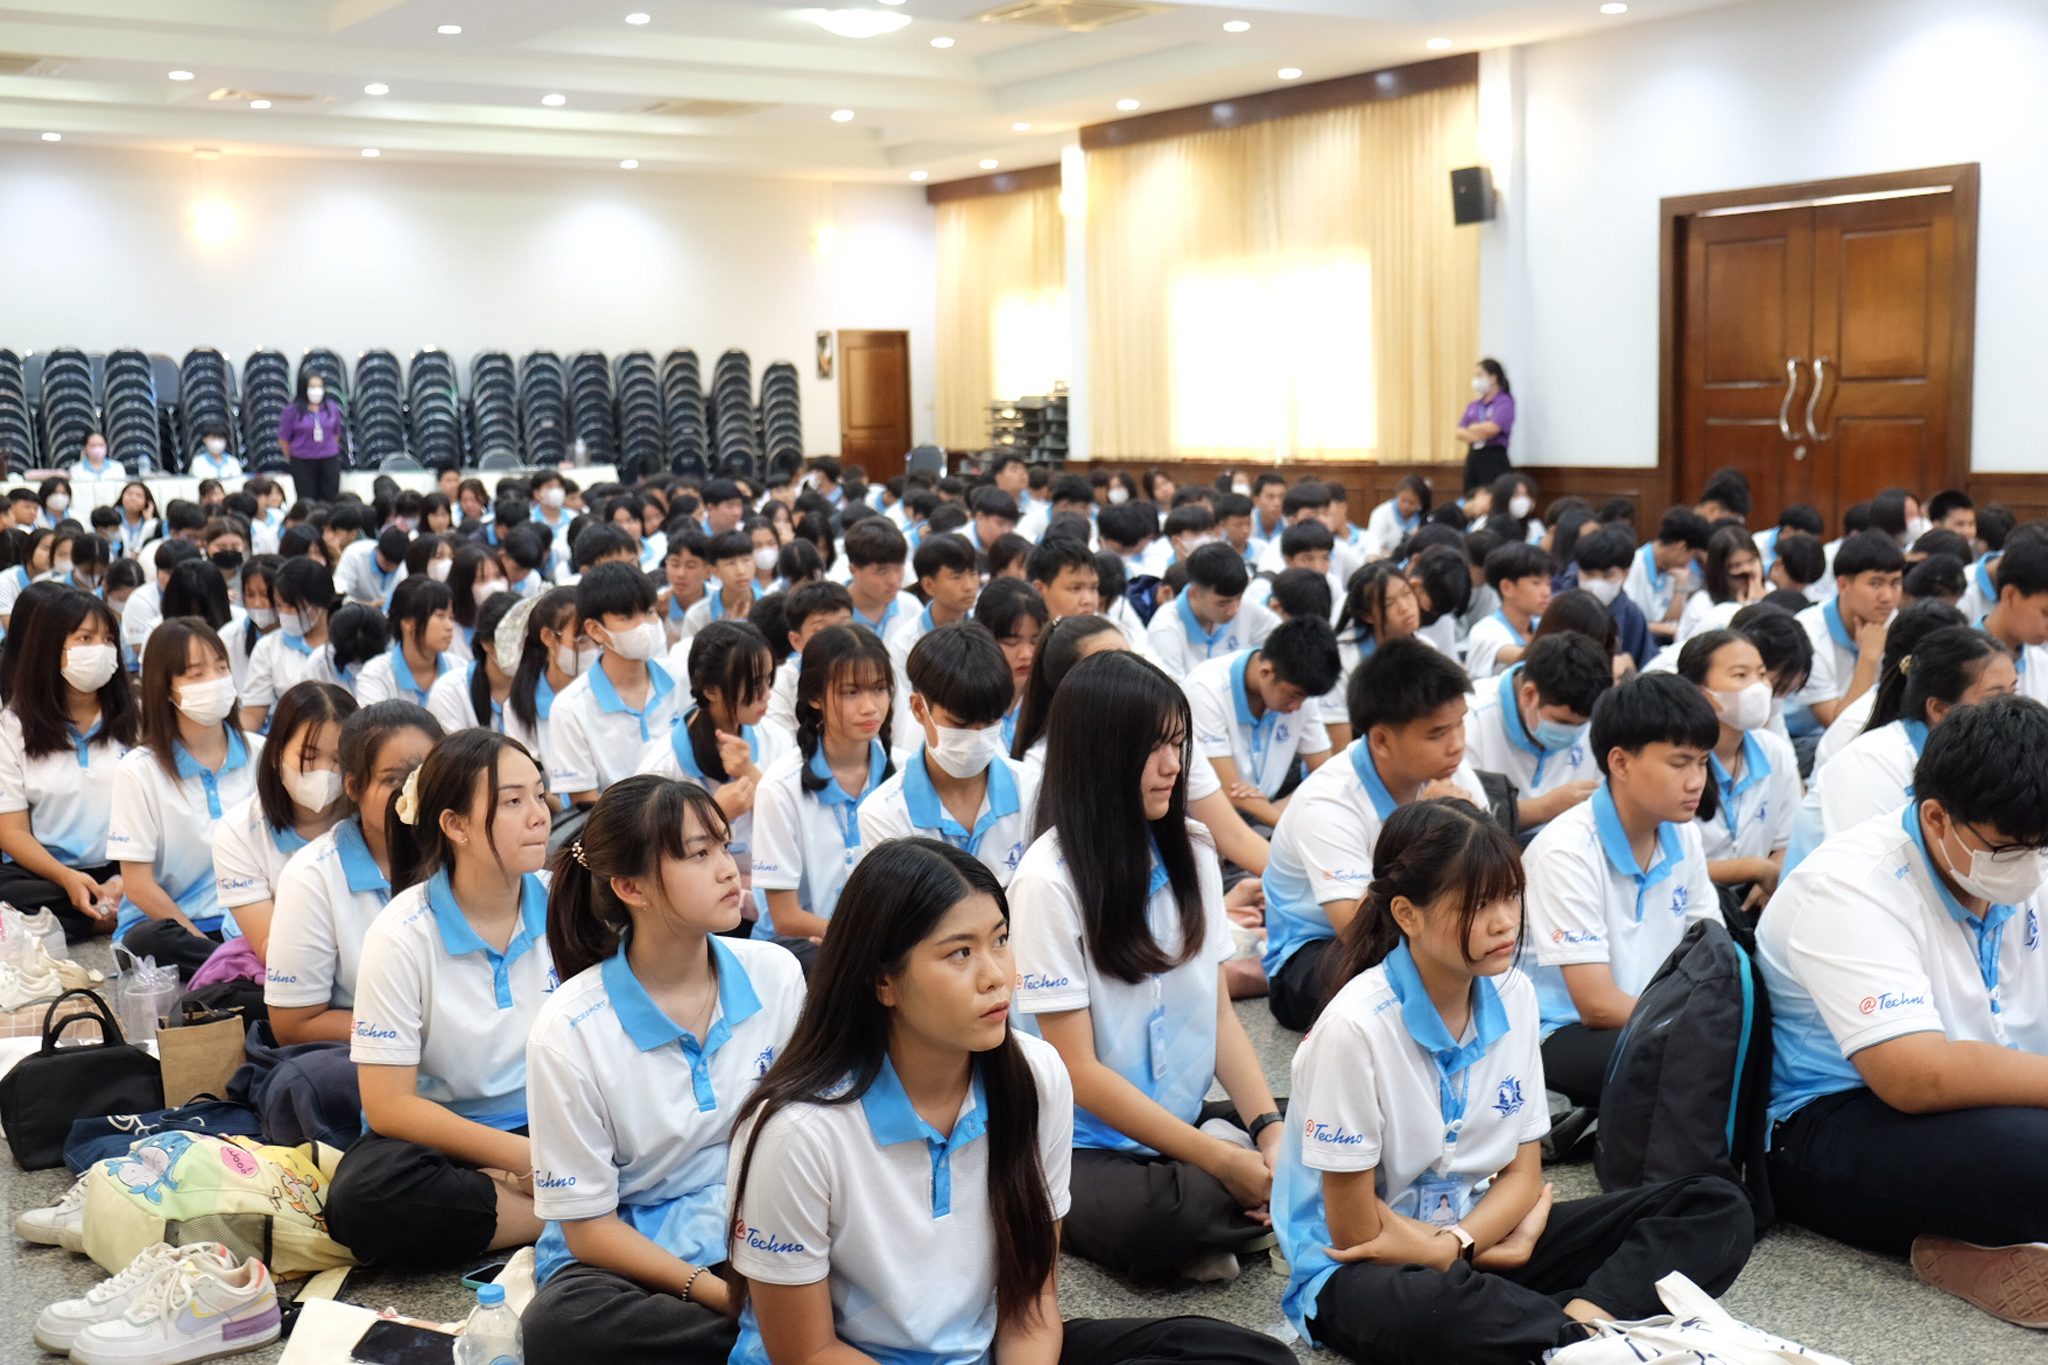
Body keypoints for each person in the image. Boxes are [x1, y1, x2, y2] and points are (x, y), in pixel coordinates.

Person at [727, 837, 1295, 1365]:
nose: (996, 975)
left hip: (986, 1352)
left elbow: (1030, 1305)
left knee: (1235, 1353)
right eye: (959, 953)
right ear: (883, 982)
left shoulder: (1035, 1074)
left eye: (1001, 940)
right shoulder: (798, 1132)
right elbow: (806, 1353)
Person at [1274, 798, 1756, 1365]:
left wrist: (1463, 1243)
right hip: (1365, 1271)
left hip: (1474, 1234)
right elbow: (1355, 1230)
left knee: (1716, 1204)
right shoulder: (1354, 1027)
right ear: (1407, 915)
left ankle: (1577, 1328)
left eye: (1509, 896)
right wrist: (1455, 1256)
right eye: (1479, 905)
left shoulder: (1514, 994)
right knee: (1434, 1310)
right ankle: (1569, 1336)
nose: (1505, 921)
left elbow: (1523, 1175)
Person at [1759, 695, 2048, 1326]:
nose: (2029, 867)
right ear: (1937, 817)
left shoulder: (2021, 854)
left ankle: (1981, 1244)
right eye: (2009, 849)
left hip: (1983, 1091)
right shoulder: (1848, 884)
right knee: (2034, 1158)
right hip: (1835, 1116)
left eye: (2042, 848)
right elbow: (1915, 1076)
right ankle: (1953, 1242)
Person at [1010, 650, 1285, 1283]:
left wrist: (1268, 1129)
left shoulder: (1193, 845)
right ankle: (1236, 1198)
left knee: (1329, 1133)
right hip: (1080, 1143)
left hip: (1180, 1118)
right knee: (1169, 1219)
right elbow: (1077, 1072)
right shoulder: (1046, 883)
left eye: (1179, 744)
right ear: (1099, 756)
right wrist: (1221, 1161)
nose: (1173, 767)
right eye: (1153, 749)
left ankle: (1240, 1186)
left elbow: (1218, 1013)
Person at [521, 777, 804, 1365]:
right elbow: (589, 1232)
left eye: (725, 847)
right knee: (562, 1325)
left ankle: (787, 1336)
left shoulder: (776, 973)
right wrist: (721, 1296)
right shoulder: (570, 1028)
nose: (729, 869)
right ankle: (786, 1341)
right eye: (700, 854)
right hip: (638, 1256)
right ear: (630, 886)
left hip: (762, 1225)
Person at [323, 729, 554, 1270]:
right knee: (364, 1201)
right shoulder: (401, 933)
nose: (539, 815)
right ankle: (579, 1216)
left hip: (559, 1119)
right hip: (447, 1136)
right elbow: (388, 1105)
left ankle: (562, 1205)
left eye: (540, 795)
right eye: (513, 802)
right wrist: (523, 1161)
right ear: (455, 825)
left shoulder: (569, 906)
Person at [1262, 638, 1489, 1031]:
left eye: (1461, 722)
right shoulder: (1328, 801)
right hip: (1318, 953)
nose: (1458, 744)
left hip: (1424, 927)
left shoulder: (1449, 769)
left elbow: (1491, 872)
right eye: (1437, 733)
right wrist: (1432, 827)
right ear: (1381, 739)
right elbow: (1358, 932)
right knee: (1399, 981)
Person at [1521, 672, 1721, 1106]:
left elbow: (1710, 952)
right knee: (1679, 1058)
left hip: (1653, 1018)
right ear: (1620, 763)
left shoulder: (1681, 835)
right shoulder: (1566, 851)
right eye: (1679, 762)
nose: (1696, 781)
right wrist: (1694, 1024)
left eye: (1703, 762)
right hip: (1560, 1032)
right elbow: (1595, 1004)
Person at [264, 702, 442, 1046]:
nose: (412, 793)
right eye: (392, 780)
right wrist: (419, 1036)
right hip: (370, 1050)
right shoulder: (311, 877)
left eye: (424, 777)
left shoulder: (464, 852)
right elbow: (293, 1024)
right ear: (354, 786)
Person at [107, 618, 264, 977]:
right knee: (151, 941)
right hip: (178, 927)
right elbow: (138, 885)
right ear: (166, 690)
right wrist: (212, 952)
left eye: (221, 668)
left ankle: (240, 973)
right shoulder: (138, 770)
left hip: (248, 919)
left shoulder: (261, 754)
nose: (215, 681)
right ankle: (235, 971)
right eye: (196, 674)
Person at [750, 626, 895, 957]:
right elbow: (785, 917)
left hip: (877, 945)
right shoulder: (780, 787)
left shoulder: (902, 772)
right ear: (815, 697)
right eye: (850, 692)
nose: (870, 707)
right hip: (797, 950)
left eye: (879, 689)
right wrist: (860, 944)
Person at [0, 588, 135, 939]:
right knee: (9, 891)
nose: (100, 650)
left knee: (170, 879)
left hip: (127, 865)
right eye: (85, 639)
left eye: (108, 640)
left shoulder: (134, 718)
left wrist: (124, 878)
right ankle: (100, 917)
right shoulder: (12, 725)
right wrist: (66, 877)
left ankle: (88, 915)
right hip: (48, 872)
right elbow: (11, 830)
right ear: (49, 649)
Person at [857, 623, 1036, 884]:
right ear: (919, 709)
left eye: (989, 723)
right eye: (959, 724)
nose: (976, 736)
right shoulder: (885, 815)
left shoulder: (1033, 790)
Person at [638, 621, 790, 911]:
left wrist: (752, 773)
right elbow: (650, 853)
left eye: (769, 679)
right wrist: (714, 816)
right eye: (754, 684)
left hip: (770, 902)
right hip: (694, 909)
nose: (767, 694)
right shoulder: (661, 767)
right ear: (710, 690)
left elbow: (797, 823)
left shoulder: (778, 739)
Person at [1819, 626, 2014, 842]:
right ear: (1938, 709)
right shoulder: (1870, 763)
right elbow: (1865, 864)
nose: (2013, 710)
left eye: (2014, 692)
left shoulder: (1992, 753)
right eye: (1994, 700)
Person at [211, 682, 357, 957]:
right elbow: (272, 951)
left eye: (339, 759)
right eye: (308, 757)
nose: (324, 772)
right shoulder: (238, 831)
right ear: (277, 754)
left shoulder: (369, 820)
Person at [1674, 630, 1799, 911]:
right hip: (1685, 903)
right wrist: (1752, 869)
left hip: (1752, 903)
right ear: (1698, 690)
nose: (1758, 687)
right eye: (1741, 675)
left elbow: (1786, 842)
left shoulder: (1773, 751)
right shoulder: (1673, 761)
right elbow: (1669, 867)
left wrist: (1768, 878)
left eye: (1762, 674)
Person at [1185, 617, 1341, 827]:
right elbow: (1230, 793)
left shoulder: (1300, 691)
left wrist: (1276, 808)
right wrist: (1290, 828)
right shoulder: (1205, 689)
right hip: (1207, 822)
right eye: (1295, 696)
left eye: (1305, 698)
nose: (1297, 707)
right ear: (1266, 672)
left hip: (1267, 813)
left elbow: (1325, 772)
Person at [552, 563, 681, 805]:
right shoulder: (570, 708)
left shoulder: (681, 679)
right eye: (628, 617)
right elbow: (586, 803)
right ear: (595, 630)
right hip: (620, 837)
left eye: (650, 612)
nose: (645, 626)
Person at [1462, 632, 1609, 836]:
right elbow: (1460, 821)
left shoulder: (1596, 716)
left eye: (1581, 725)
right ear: (1529, 694)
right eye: (1562, 722)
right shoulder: (1471, 718)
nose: (1572, 733)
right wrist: (1544, 808)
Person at [1795, 529, 1904, 726]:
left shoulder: (1894, 620)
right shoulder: (1808, 631)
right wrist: (1868, 658)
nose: (1888, 597)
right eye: (1875, 583)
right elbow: (1840, 727)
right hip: (1806, 738)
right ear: (1843, 585)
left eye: (1895, 583)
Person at [241, 558, 343, 730]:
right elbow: (253, 713)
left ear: (318, 603)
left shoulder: (344, 641)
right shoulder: (268, 647)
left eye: (291, 606)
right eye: (279, 605)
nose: (284, 613)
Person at [1146, 543, 1274, 677]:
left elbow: (1280, 641)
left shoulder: (1244, 605)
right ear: (1194, 593)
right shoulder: (1166, 629)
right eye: (1222, 603)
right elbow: (1174, 692)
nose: (1234, 610)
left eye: (1239, 598)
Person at [355, 575, 457, 708]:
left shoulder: (459, 671)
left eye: (451, 617)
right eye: (440, 616)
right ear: (408, 622)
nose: (450, 626)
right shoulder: (376, 676)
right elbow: (376, 728)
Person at [973, 576, 1046, 753]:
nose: (1026, 654)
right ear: (983, 636)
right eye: (1011, 642)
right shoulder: (963, 697)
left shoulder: (1051, 696)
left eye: (1035, 641)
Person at [1466, 544, 1553, 680]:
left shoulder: (1540, 626)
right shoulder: (1485, 630)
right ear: (1507, 587)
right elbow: (1526, 657)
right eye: (1536, 583)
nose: (1547, 592)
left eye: (1548, 584)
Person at [1622, 508, 1710, 644]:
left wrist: (1680, 586)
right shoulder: (1633, 565)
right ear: (1681, 547)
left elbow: (1671, 621)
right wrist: (1669, 629)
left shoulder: (1673, 569)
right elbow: (1626, 620)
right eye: (1692, 556)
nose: (1690, 562)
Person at [1672, 525, 1766, 648]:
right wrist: (1743, 610)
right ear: (1720, 571)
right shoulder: (1702, 603)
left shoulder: (1772, 591)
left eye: (1751, 561)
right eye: (1736, 566)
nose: (1747, 570)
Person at [278, 370, 345, 504]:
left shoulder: (331, 407)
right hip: (302, 461)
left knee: (330, 499)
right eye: (312, 387)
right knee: (307, 501)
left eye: (319, 387)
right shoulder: (292, 411)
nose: (317, 391)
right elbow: (284, 439)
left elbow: (336, 433)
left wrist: (327, 448)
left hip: (329, 460)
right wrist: (292, 457)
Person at [1365, 475, 1432, 559]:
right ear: (1397, 495)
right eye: (1403, 500)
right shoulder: (1381, 513)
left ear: (1420, 503)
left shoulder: (1424, 517)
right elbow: (1374, 545)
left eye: (1412, 503)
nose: (1406, 506)